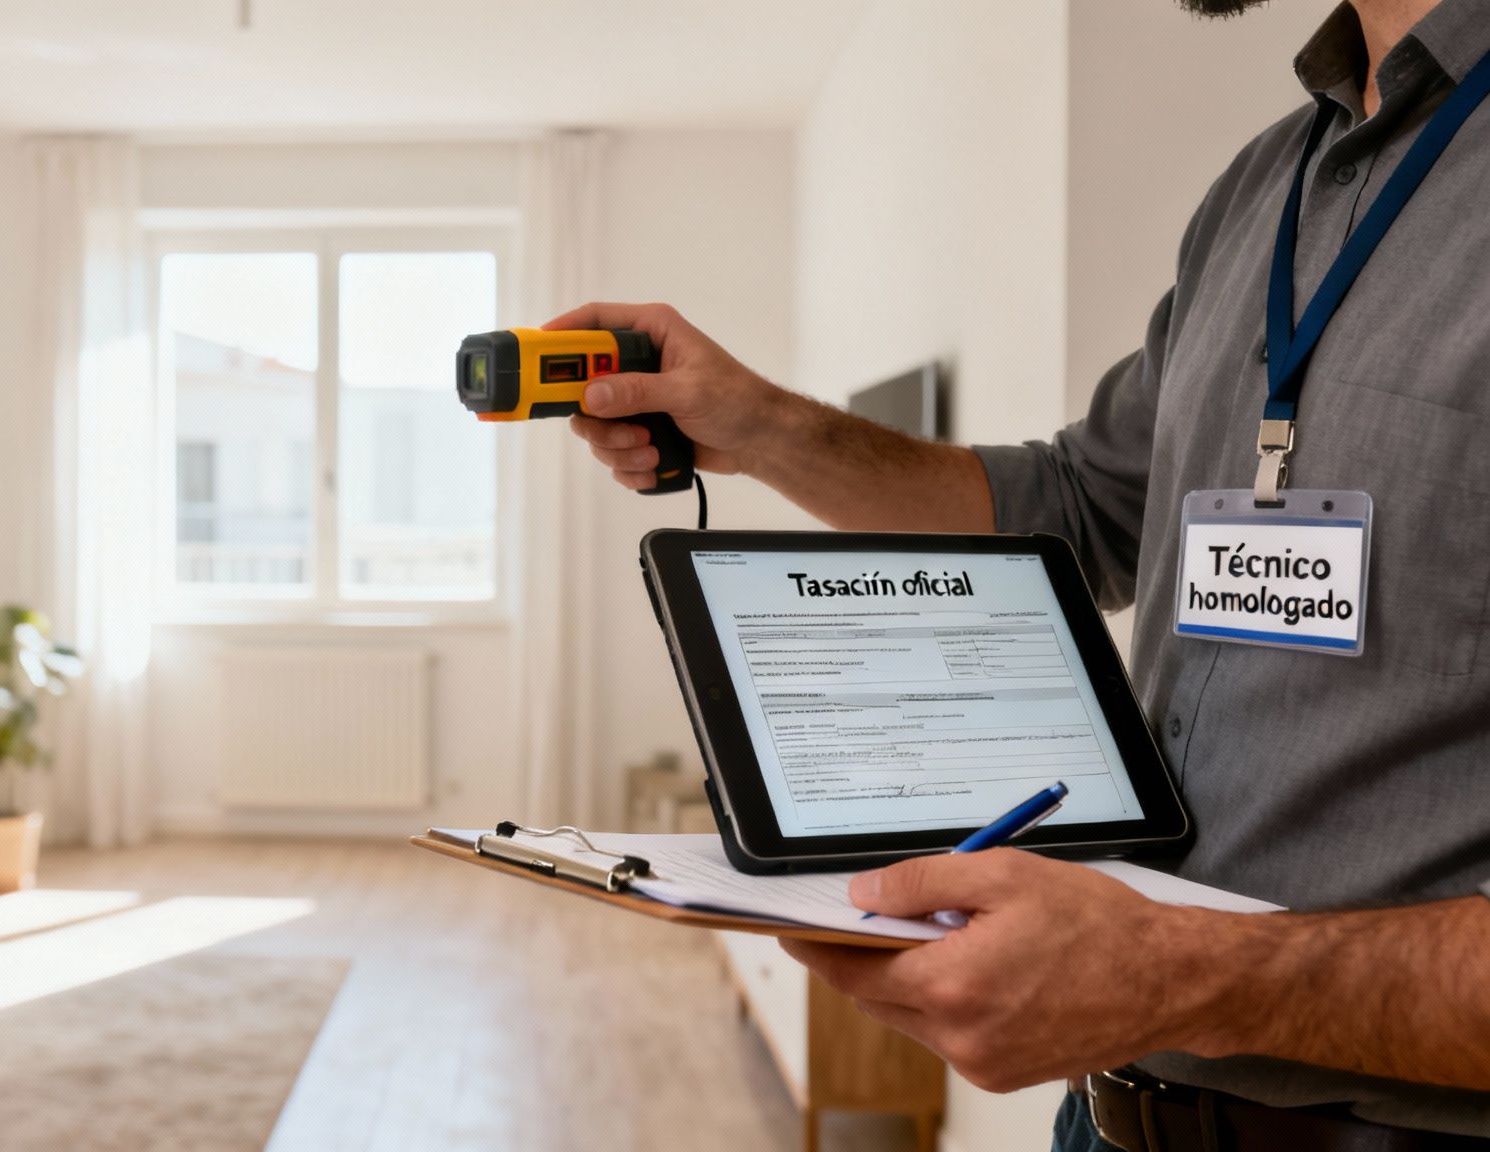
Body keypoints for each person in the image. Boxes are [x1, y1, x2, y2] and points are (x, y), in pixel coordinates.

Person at [557, 0, 1490, 1148]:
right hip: (1113, 1116)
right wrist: (757, 428)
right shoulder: (1266, 188)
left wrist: (1195, 975)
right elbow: (1076, 508)